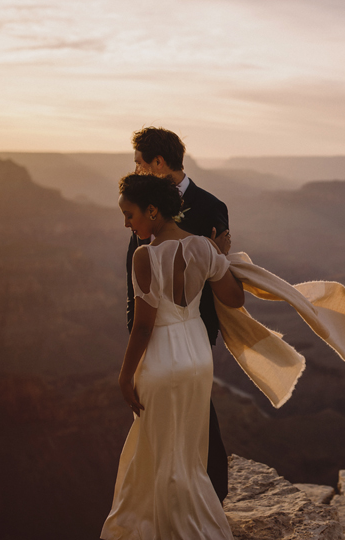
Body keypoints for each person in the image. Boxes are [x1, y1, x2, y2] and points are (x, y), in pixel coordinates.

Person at [102, 173, 259, 540]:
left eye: (129, 215)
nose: (127, 224)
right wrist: (220, 258)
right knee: (189, 449)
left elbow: (144, 326)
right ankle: (196, 527)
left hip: (164, 359)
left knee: (161, 448)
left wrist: (124, 374)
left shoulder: (143, 256)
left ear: (152, 211)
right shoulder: (204, 248)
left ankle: (175, 536)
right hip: (197, 357)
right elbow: (234, 299)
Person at [126, 127, 232, 503]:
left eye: (139, 163)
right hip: (152, 327)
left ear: (157, 162)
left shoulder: (209, 206)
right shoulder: (144, 202)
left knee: (198, 416)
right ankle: (170, 502)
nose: (136, 169)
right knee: (162, 422)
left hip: (190, 331)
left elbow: (219, 269)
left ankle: (210, 498)